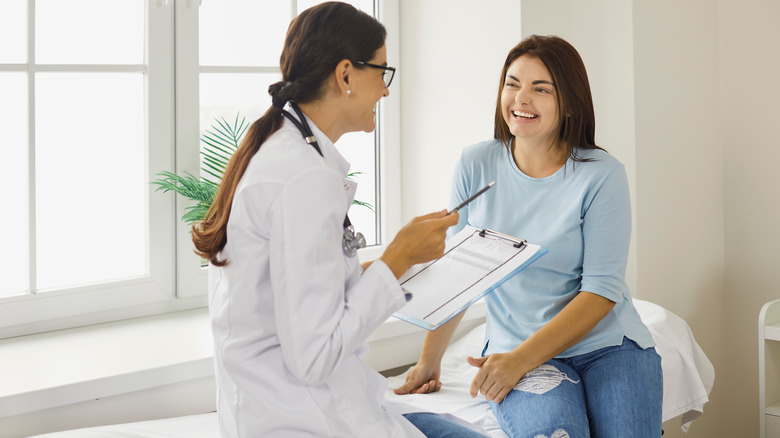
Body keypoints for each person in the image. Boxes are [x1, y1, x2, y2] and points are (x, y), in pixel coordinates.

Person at [191, 2, 487, 437]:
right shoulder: (302, 177)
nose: (386, 91)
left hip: (295, 408)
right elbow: (314, 359)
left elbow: (310, 284)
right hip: (304, 419)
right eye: (382, 72)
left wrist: (406, 262)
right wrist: (397, 260)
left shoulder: (285, 148)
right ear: (345, 75)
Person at [394, 35, 663, 438]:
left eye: (541, 88)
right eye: (512, 83)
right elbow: (459, 272)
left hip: (608, 347)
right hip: (518, 347)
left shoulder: (602, 174)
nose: (521, 98)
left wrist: (518, 361)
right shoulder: (476, 162)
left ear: (570, 102)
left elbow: (601, 292)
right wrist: (429, 360)